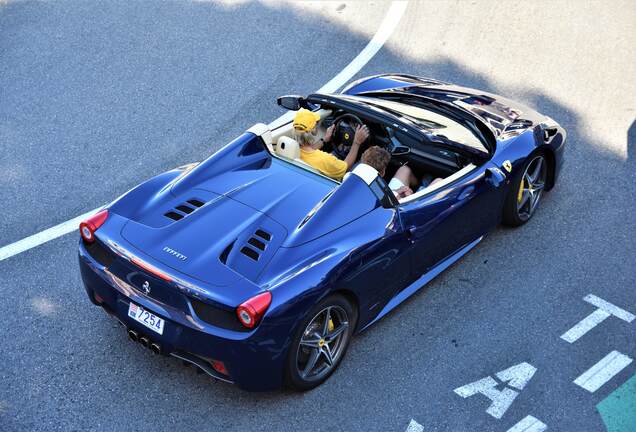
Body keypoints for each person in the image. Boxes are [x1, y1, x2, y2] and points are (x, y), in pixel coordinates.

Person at [293, 109, 369, 181]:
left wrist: (324, 139)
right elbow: (346, 167)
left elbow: (310, 150)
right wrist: (356, 142)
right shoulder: (325, 160)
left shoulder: (293, 149)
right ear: (313, 130)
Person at [360, 146, 442, 199]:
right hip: (401, 208)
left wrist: (396, 192)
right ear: (382, 172)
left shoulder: (357, 181)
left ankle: (422, 186)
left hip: (390, 198)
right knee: (439, 181)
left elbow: (382, 195)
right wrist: (408, 197)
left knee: (405, 170)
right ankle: (423, 188)